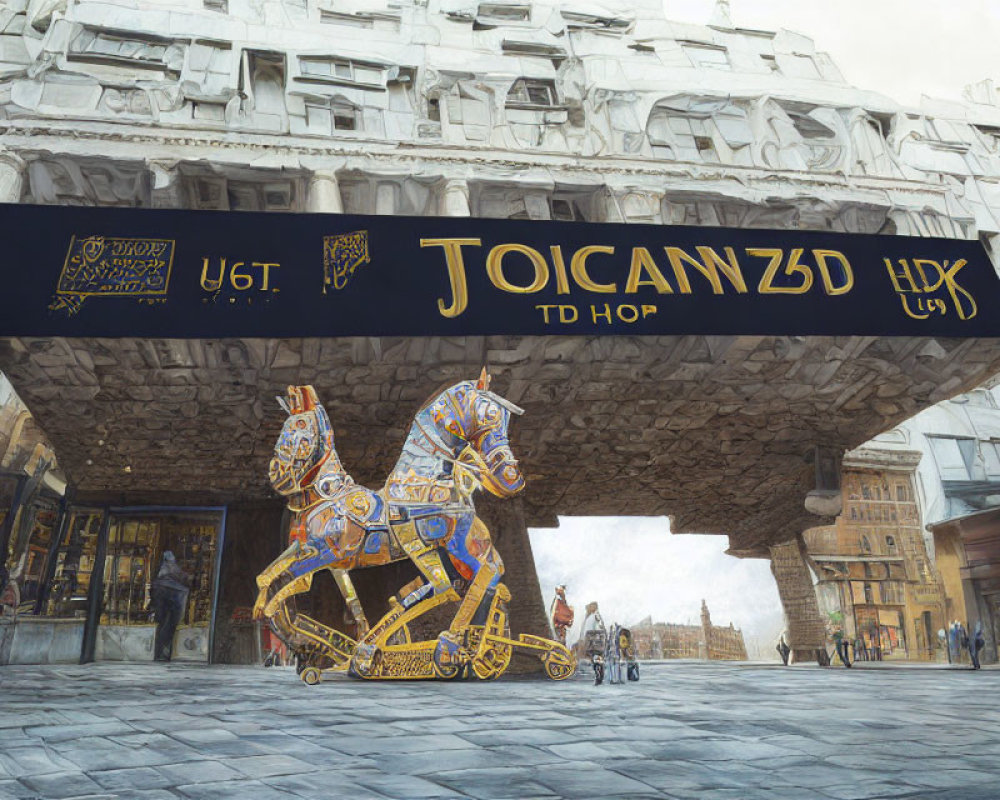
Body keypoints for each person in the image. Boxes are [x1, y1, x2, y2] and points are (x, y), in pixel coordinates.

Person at [151, 551, 190, 662]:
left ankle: (160, 653)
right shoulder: (170, 570)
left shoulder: (163, 571)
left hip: (165, 600)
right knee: (168, 627)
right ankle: (163, 653)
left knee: (164, 626)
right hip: (171, 600)